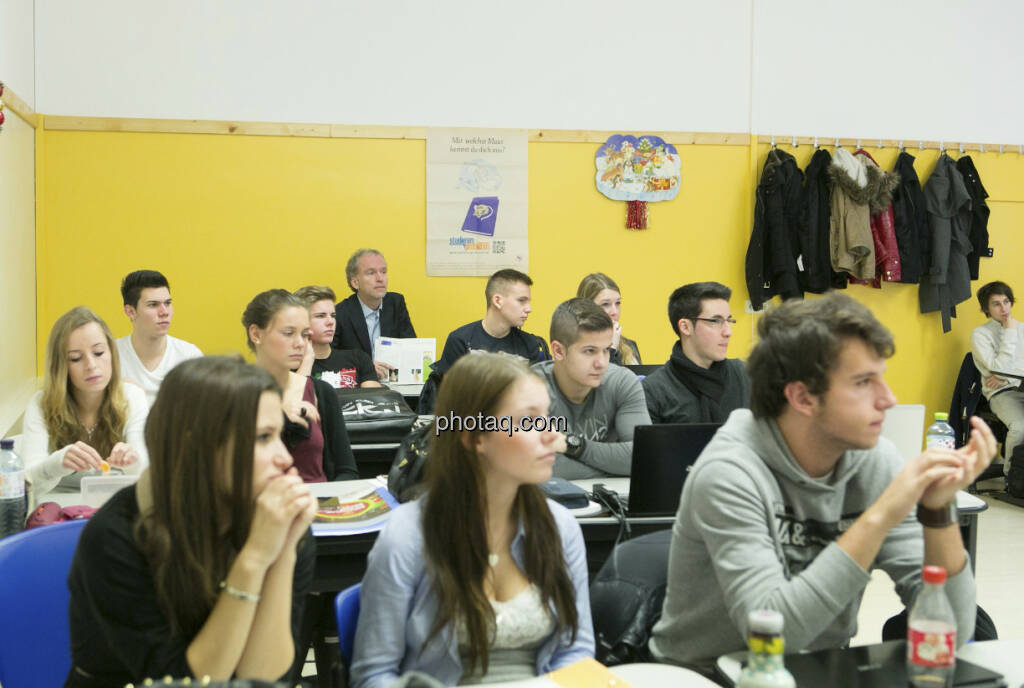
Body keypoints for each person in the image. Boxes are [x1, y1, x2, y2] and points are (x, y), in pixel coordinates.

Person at [649, 293, 995, 675]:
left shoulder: (873, 459)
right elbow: (773, 634)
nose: (888, 399)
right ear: (802, 397)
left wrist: (936, 511)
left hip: (814, 669)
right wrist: (879, 517)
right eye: (864, 382)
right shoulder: (730, 471)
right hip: (704, 675)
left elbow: (955, 630)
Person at [65, 356, 317, 686]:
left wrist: (283, 551)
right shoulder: (115, 535)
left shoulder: (273, 518)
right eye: (262, 437)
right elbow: (183, 682)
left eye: (280, 435)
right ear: (196, 445)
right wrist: (253, 560)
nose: (285, 457)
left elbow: (264, 678)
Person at [351, 353, 594, 688]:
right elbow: (373, 675)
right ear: (474, 437)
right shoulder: (408, 535)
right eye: (528, 420)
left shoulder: (559, 526)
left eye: (549, 416)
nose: (552, 434)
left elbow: (576, 650)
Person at [22, 306, 148, 497]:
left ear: (112, 354)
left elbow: (146, 475)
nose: (91, 365)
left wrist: (133, 462)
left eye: (98, 353)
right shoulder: (41, 404)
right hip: (56, 509)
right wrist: (57, 464)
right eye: (75, 358)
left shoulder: (133, 397)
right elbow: (27, 487)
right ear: (61, 366)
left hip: (113, 505)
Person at [244, 289, 358, 482]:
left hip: (319, 504)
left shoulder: (320, 392)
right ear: (256, 334)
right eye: (288, 333)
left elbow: (346, 470)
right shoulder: (235, 393)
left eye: (305, 335)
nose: (299, 343)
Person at [532, 298, 650, 478]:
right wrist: (614, 467)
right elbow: (534, 465)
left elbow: (644, 456)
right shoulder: (528, 389)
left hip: (612, 500)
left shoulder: (622, 382)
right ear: (558, 351)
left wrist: (576, 447)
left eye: (606, 350)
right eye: (589, 351)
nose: (601, 363)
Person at [641, 281, 750, 424]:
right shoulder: (654, 391)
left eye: (729, 320)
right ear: (685, 327)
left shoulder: (745, 374)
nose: (728, 332)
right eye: (715, 321)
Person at [116, 270, 203, 406]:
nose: (164, 312)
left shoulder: (189, 356)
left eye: (167, 303)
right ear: (130, 311)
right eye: (153, 305)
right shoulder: (110, 356)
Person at [333, 249, 416, 381]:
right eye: (371, 273)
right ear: (355, 282)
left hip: (394, 383)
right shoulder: (340, 313)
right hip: (359, 386)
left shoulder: (395, 303)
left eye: (383, 272)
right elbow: (330, 358)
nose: (380, 278)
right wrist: (365, 367)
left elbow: (410, 345)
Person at [970, 280, 1024, 468]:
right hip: (1002, 394)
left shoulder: (1022, 328)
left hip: (1019, 387)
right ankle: (1012, 479)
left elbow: (1007, 372)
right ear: (986, 308)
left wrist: (1006, 377)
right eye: (996, 304)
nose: (1004, 308)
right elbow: (997, 369)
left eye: (1006, 301)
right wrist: (1009, 332)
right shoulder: (980, 334)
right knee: (1020, 428)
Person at [293, 285, 381, 389]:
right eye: (320, 316)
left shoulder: (358, 358)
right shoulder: (289, 365)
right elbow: (294, 400)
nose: (330, 322)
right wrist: (307, 360)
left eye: (333, 315)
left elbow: (375, 401)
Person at [576, 273, 641, 365]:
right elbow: (607, 378)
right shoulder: (576, 348)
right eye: (605, 304)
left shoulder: (630, 346)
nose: (614, 312)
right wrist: (612, 349)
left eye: (618, 303)